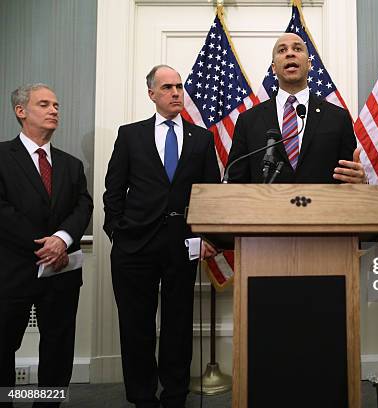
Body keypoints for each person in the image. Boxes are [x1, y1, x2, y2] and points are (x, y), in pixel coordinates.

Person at [103, 65, 220, 408]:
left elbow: (209, 192)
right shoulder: (130, 134)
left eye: (179, 87)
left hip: (183, 244)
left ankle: (175, 395)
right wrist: (117, 233)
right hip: (134, 245)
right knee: (136, 325)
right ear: (152, 94)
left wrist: (207, 236)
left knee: (178, 325)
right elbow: (114, 191)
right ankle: (142, 397)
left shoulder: (202, 137)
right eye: (167, 87)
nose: (176, 93)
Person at [0, 83, 93, 407]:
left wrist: (62, 240)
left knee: (58, 348)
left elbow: (83, 206)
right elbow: (3, 212)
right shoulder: (1, 156)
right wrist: (44, 246)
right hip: (12, 273)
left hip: (61, 272)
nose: (54, 110)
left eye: (56, 104)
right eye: (44, 104)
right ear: (21, 111)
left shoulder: (70, 165)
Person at [226, 32, 366, 184]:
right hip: (266, 206)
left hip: (322, 206)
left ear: (309, 64)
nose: (290, 53)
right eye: (282, 50)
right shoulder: (248, 121)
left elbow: (349, 178)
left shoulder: (338, 118)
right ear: (273, 68)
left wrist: (360, 182)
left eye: (297, 49)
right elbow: (235, 182)